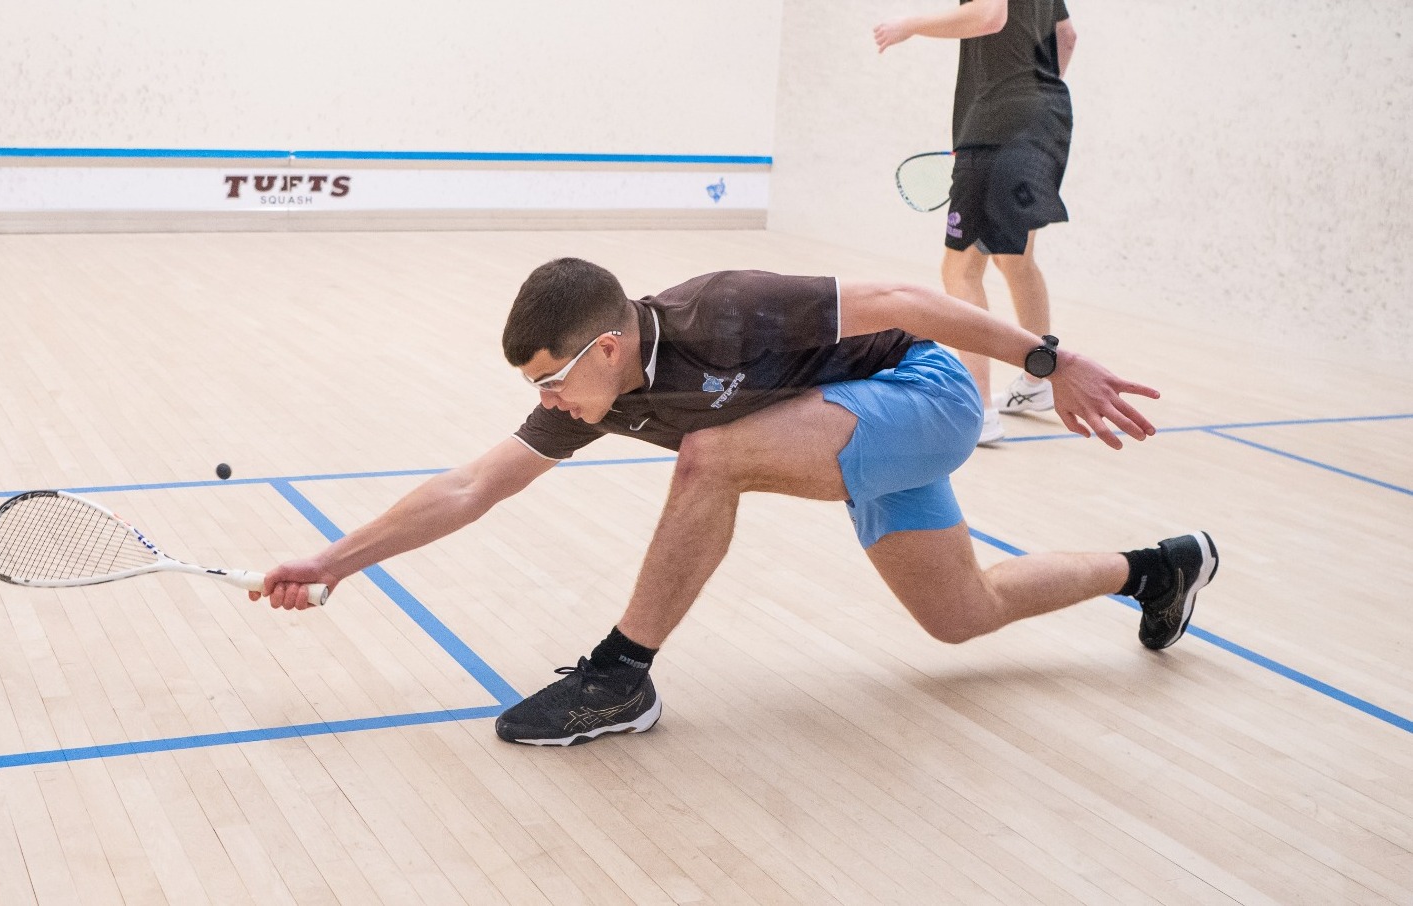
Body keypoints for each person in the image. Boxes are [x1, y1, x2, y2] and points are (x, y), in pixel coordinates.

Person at [253, 259, 1218, 747]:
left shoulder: (721, 309)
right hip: (858, 425)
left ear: (606, 347)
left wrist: (1049, 362)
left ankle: (620, 677)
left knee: (711, 455)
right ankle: (1159, 568)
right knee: (962, 615)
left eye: (551, 382)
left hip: (924, 394)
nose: (544, 404)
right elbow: (471, 486)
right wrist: (331, 562)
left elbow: (902, 298)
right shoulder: (601, 394)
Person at [873, 0, 1079, 444]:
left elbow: (989, 15)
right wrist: (1030, 102)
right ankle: (1037, 383)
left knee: (961, 267)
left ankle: (977, 410)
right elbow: (1066, 37)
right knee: (1015, 259)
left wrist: (910, 24)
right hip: (1047, 120)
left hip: (998, 125)